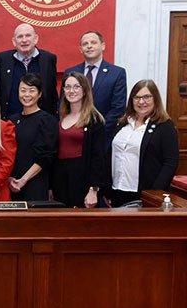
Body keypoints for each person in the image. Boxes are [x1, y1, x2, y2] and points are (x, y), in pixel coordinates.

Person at [106, 79, 179, 207]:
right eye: (137, 97)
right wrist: (106, 190)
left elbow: (170, 162)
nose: (141, 102)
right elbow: (109, 155)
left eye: (147, 97)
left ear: (155, 99)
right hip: (117, 190)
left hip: (144, 194)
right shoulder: (122, 123)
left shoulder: (165, 126)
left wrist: (154, 193)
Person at [51, 72, 106, 208]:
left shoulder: (94, 120)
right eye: (67, 87)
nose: (71, 91)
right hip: (60, 179)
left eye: (76, 87)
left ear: (85, 90)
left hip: (82, 180)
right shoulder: (59, 117)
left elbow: (98, 157)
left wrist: (93, 189)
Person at [63, 29, 128, 134]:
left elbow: (118, 108)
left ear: (103, 46)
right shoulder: (70, 72)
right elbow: (63, 104)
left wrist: (99, 130)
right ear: (80, 49)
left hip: (103, 134)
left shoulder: (117, 73)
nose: (89, 46)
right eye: (85, 44)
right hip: (74, 133)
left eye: (93, 42)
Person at [8, 73, 58, 202]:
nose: (26, 95)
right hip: (11, 183)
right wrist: (9, 178)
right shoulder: (11, 120)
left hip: (35, 183)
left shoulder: (47, 120)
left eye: (32, 90)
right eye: (23, 90)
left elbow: (45, 157)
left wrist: (23, 180)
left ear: (40, 93)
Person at [0, 23, 58, 119]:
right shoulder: (1, 60)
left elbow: (52, 93)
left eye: (28, 35)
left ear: (35, 39)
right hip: (9, 122)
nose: (24, 40)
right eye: (20, 37)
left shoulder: (48, 59)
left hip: (41, 122)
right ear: (14, 41)